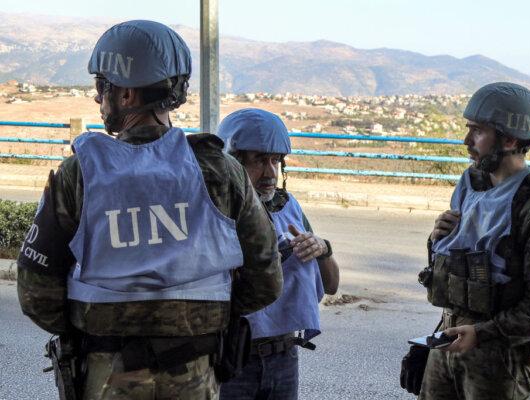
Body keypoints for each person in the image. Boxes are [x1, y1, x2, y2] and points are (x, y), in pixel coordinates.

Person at [17, 20, 282, 400]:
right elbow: (266, 278)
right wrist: (200, 319)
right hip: (197, 374)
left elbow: (36, 291)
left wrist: (93, 331)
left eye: (101, 87)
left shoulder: (81, 173)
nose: (98, 98)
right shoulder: (222, 171)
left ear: (125, 94)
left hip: (106, 375)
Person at [403, 82, 530, 400]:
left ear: (510, 139)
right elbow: (457, 267)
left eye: (478, 131)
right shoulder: (472, 184)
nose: (467, 141)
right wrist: (438, 240)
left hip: (500, 355)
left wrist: (483, 333)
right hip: (448, 336)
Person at [216, 108, 340, 400]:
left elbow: (332, 285)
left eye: (275, 160)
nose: (270, 172)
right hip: (233, 358)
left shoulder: (287, 207)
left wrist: (322, 249)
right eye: (259, 160)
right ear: (234, 163)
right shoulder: (218, 212)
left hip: (283, 358)